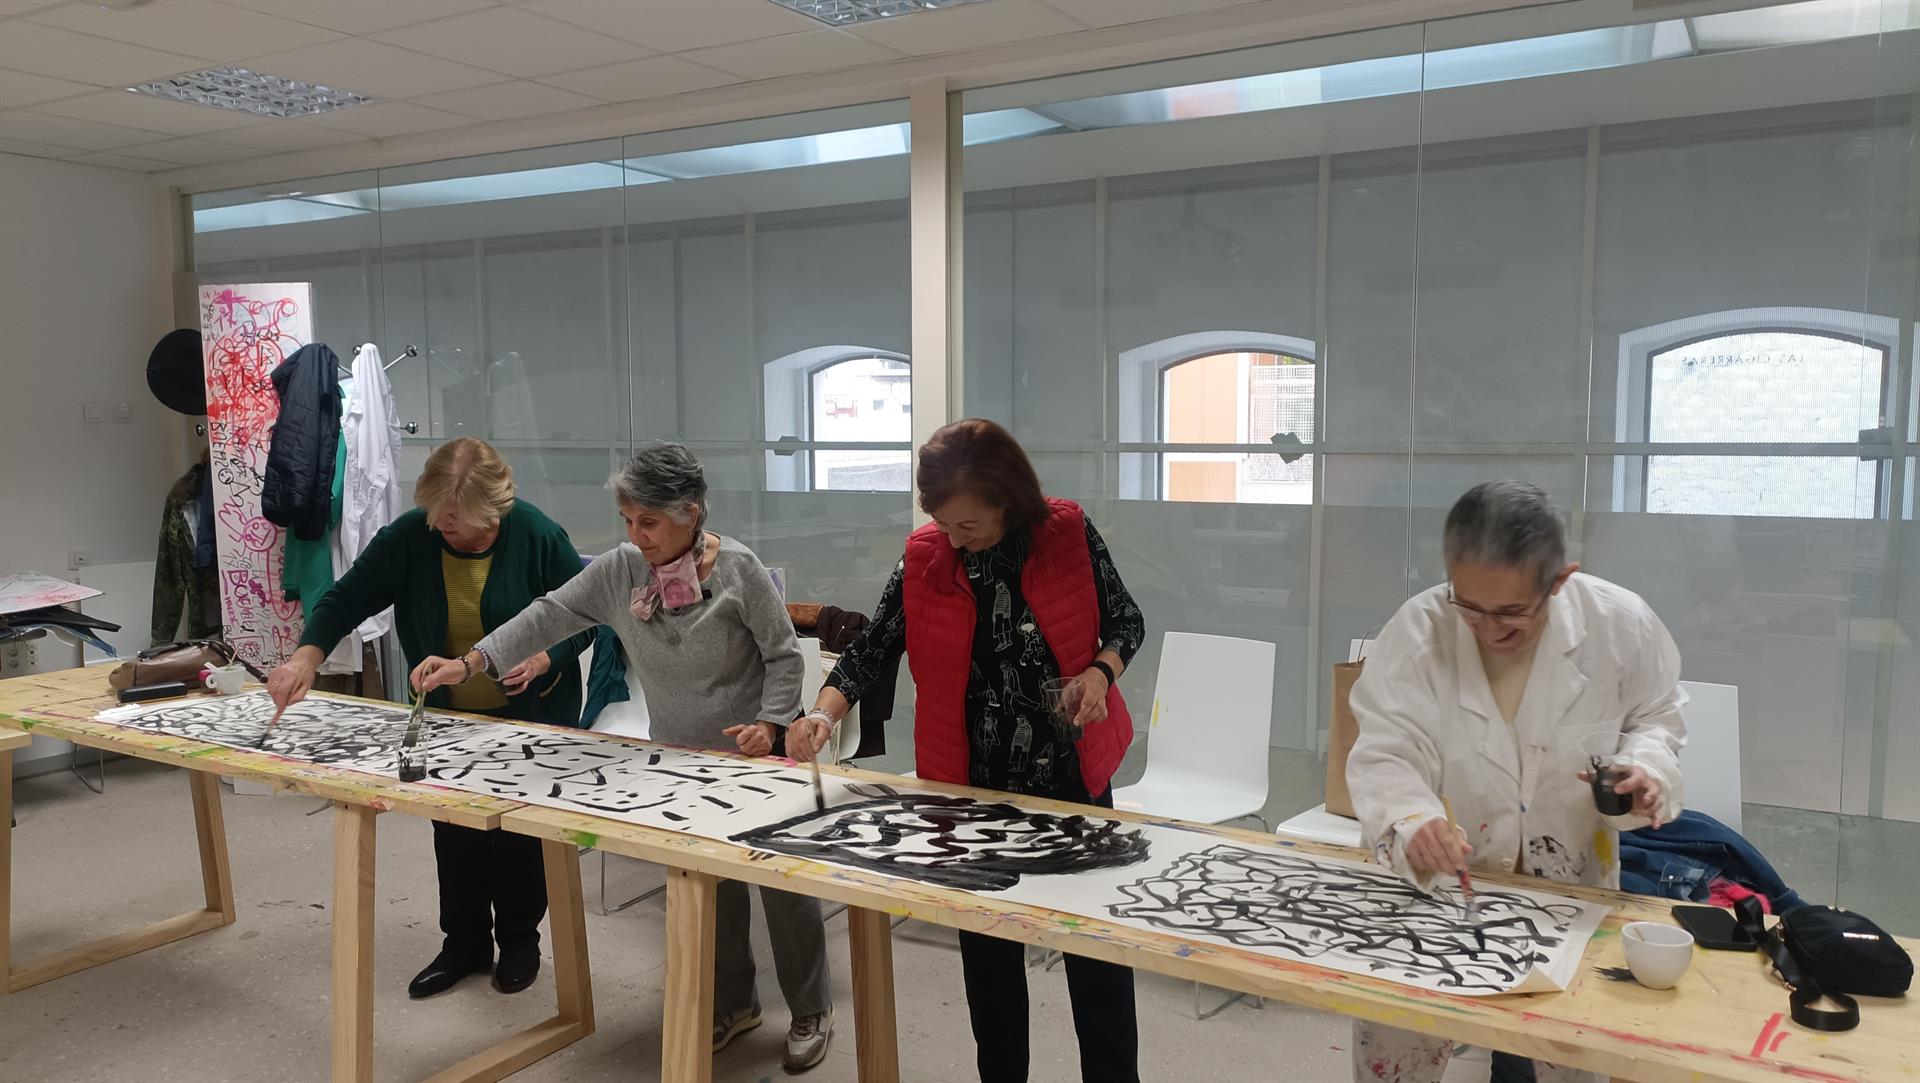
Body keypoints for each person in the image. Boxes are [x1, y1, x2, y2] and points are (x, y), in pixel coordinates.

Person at [412, 443, 835, 1074]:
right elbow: (549, 614)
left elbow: (783, 656)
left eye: (650, 522)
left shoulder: (739, 569)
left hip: (760, 756)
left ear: (691, 514)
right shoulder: (621, 570)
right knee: (707, 888)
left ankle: (810, 1009)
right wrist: (472, 662)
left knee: (783, 889)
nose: (637, 536)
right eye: (629, 521)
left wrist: (772, 723)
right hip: (681, 760)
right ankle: (734, 1003)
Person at [787, 417, 1146, 1083]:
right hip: (972, 791)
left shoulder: (1067, 532)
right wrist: (822, 713)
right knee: (990, 968)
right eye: (942, 523)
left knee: (1097, 957)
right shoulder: (927, 556)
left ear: (1008, 498)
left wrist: (1101, 672)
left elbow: (1127, 619)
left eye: (968, 524)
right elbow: (873, 647)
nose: (955, 538)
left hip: (1070, 779)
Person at [1345, 481, 1686, 1083]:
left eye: (1510, 612)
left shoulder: (1621, 626)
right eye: (1469, 606)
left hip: (1570, 887)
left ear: (1560, 579)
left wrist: (1646, 768)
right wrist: (1411, 820)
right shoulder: (1418, 630)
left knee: (1569, 1058)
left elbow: (1657, 717)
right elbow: (1385, 749)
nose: (1487, 629)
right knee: (1397, 1058)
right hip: (1440, 887)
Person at [265, 437, 592, 1000]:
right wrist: (305, 657)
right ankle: (463, 944)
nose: (443, 529)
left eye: (457, 522)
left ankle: (520, 942)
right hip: (448, 718)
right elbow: (345, 600)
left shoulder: (537, 534)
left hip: (530, 716)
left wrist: (544, 657)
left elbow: (585, 616)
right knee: (455, 833)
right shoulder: (411, 537)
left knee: (520, 838)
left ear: (493, 511)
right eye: (437, 517)